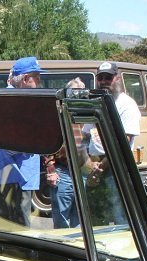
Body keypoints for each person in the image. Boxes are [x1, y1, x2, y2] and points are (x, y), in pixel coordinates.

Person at [0, 57, 44, 227]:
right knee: (14, 228)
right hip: (13, 176)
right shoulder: (8, 99)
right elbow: (8, 141)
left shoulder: (20, 98)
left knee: (14, 225)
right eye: (36, 77)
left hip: (17, 175)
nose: (39, 82)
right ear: (26, 79)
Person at [80, 62, 139, 225]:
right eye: (101, 78)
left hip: (117, 167)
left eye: (108, 78)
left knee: (121, 216)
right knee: (95, 219)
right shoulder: (96, 103)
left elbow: (123, 142)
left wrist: (101, 166)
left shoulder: (127, 104)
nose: (104, 81)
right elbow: (85, 136)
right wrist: (88, 163)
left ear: (117, 79)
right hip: (95, 166)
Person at [46, 77, 86, 229]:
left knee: (81, 217)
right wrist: (50, 170)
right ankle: (62, 242)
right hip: (63, 171)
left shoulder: (85, 114)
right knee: (61, 217)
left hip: (82, 171)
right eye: (75, 92)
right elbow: (48, 144)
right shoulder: (59, 114)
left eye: (81, 92)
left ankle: (79, 243)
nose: (79, 95)